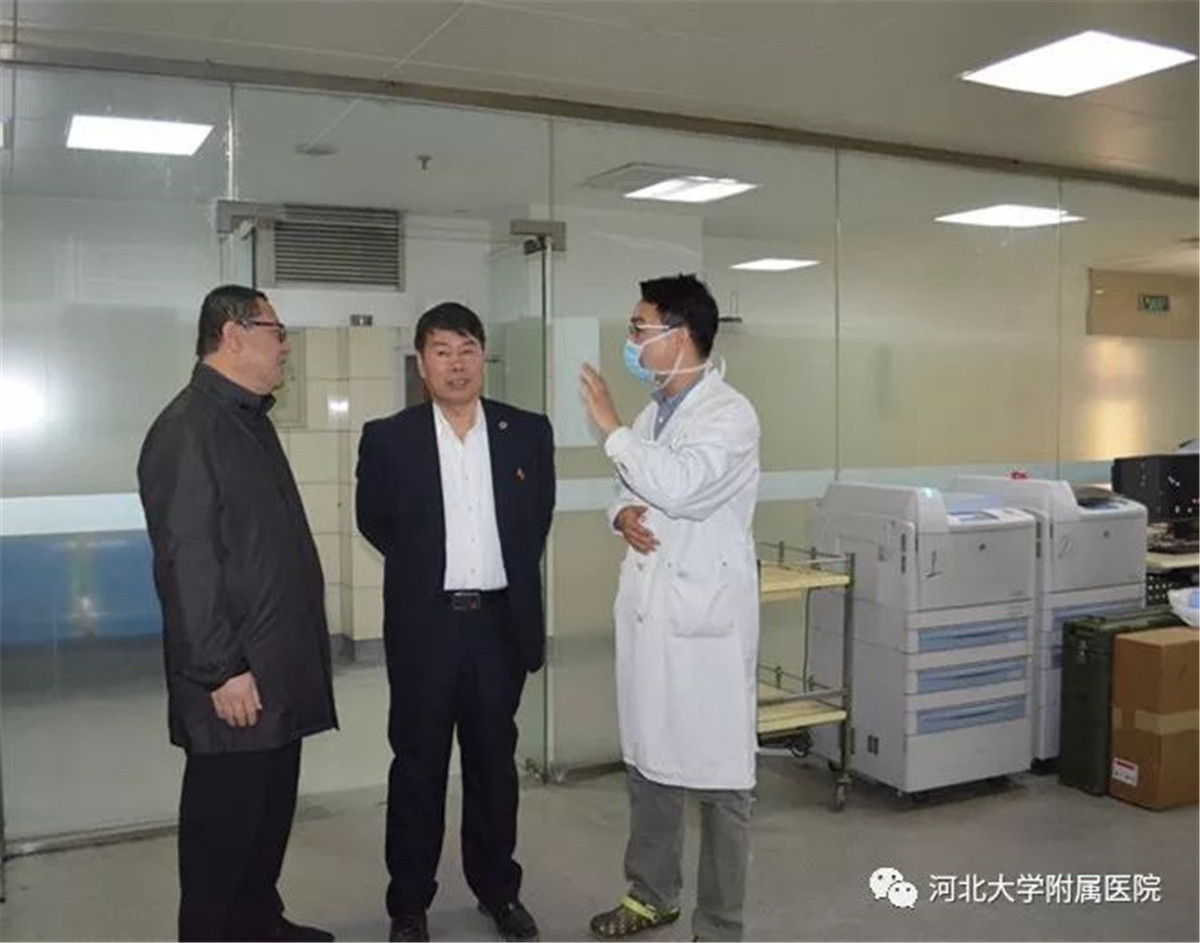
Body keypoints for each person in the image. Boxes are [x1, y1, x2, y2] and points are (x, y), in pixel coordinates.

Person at [137, 284, 338, 942]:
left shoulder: (247, 419)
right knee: (221, 835)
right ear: (233, 334)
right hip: (234, 682)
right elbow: (187, 566)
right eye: (276, 331)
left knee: (265, 818)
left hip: (273, 671)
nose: (285, 346)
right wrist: (222, 670)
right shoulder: (188, 430)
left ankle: (259, 923)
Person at [356, 302, 556, 943]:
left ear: (483, 356)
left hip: (499, 627)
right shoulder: (389, 438)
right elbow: (375, 522)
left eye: (467, 349)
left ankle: (499, 890)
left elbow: (535, 520)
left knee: (494, 767)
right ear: (422, 363)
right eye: (441, 351)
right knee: (418, 768)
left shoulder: (527, 433)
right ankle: (409, 905)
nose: (456, 364)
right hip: (428, 628)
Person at [579, 274, 762, 943]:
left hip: (705, 621)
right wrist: (620, 514)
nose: (631, 340)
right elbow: (633, 485)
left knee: (721, 779)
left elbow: (683, 488)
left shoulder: (731, 416)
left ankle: (720, 923)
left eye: (639, 327)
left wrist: (608, 428)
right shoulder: (654, 412)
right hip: (653, 611)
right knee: (649, 760)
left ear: (679, 335)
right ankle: (651, 895)